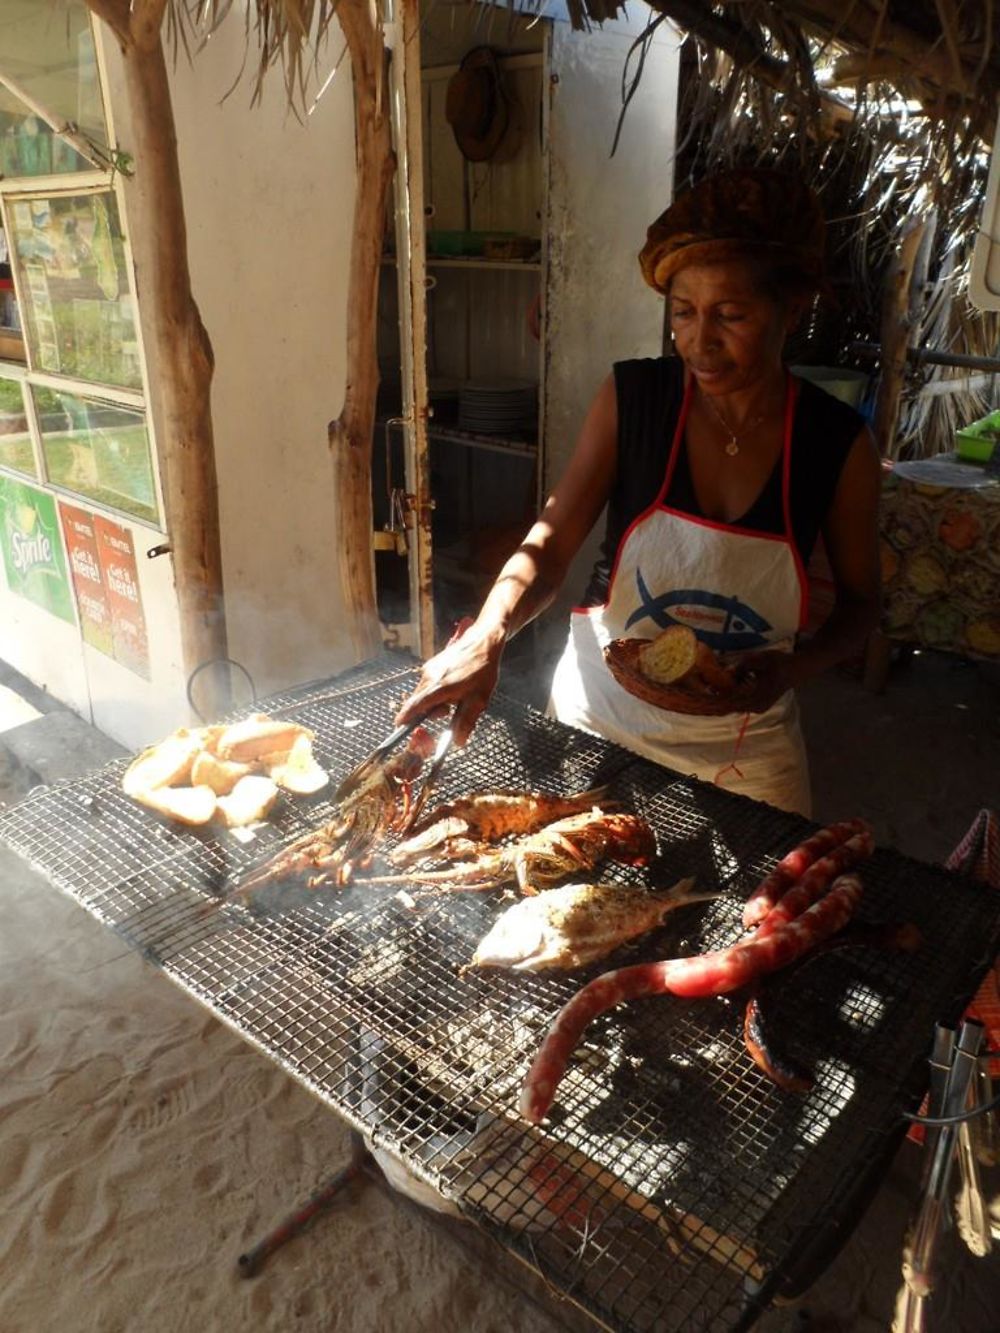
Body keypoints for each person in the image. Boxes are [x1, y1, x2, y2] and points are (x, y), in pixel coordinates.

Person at [395, 169, 881, 816]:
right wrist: (489, 632)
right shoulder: (633, 400)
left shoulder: (836, 441)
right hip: (601, 716)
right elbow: (548, 548)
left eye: (730, 315)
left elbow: (862, 606)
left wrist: (792, 671)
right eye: (683, 313)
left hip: (746, 746)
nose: (699, 341)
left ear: (791, 310)